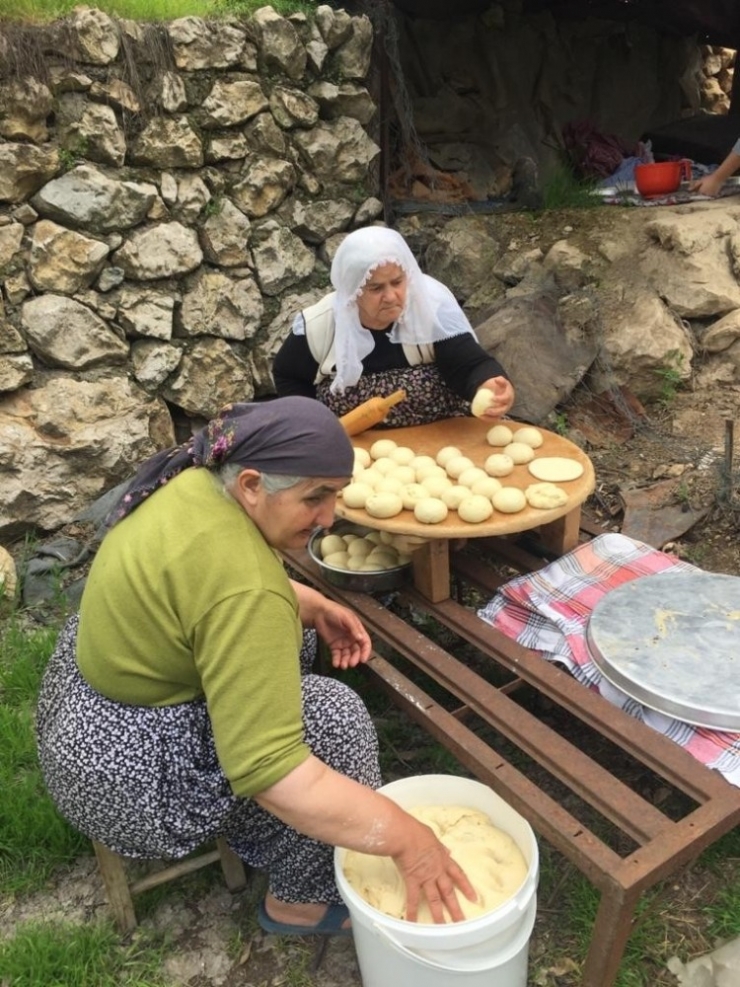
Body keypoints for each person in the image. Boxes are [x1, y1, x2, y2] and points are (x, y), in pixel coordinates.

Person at [35, 397, 475, 936]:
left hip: (81, 722)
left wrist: (306, 605)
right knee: (335, 721)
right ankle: (301, 901)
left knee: (289, 654)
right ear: (250, 485)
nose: (329, 517)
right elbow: (274, 771)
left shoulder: (193, 480)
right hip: (132, 785)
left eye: (334, 494)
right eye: (315, 497)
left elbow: (201, 582)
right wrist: (410, 839)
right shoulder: (248, 592)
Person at [272, 226, 514, 428]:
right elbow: (287, 374)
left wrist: (489, 384)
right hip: (355, 447)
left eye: (397, 282)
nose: (391, 296)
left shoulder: (428, 309)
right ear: (353, 291)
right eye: (376, 288)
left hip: (439, 435)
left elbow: (469, 364)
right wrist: (311, 426)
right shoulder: (320, 325)